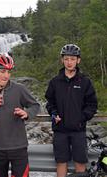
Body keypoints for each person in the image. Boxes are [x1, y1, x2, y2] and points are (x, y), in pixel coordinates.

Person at [45, 44, 98, 177]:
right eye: (67, 59)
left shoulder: (85, 82)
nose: (69, 62)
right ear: (62, 60)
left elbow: (92, 105)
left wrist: (81, 118)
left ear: (78, 60)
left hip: (78, 130)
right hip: (60, 130)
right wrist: (54, 113)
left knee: (80, 163)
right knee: (61, 163)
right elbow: (50, 103)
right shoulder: (55, 82)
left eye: (72, 59)